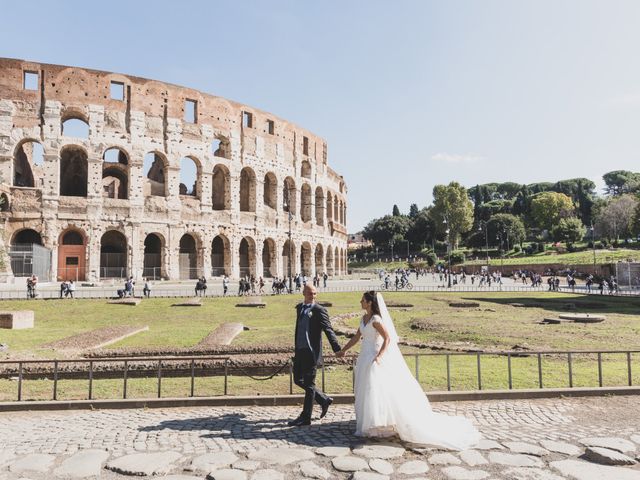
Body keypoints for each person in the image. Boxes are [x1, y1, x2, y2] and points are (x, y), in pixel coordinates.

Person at [336, 291, 480, 449]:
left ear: (370, 302)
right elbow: (357, 337)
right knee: (366, 389)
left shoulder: (376, 319)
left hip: (374, 356)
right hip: (364, 355)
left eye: (363, 300)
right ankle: (372, 423)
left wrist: (380, 355)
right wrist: (344, 350)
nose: (360, 301)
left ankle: (380, 422)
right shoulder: (363, 319)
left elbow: (388, 338)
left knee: (376, 389)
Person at [288, 284, 342, 427]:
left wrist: (337, 349)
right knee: (298, 380)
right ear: (303, 293)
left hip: (311, 353)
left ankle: (306, 417)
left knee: (310, 384)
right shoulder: (300, 308)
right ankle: (323, 399)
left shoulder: (319, 310)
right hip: (300, 351)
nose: (313, 296)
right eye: (310, 293)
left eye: (315, 294)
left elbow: (328, 330)